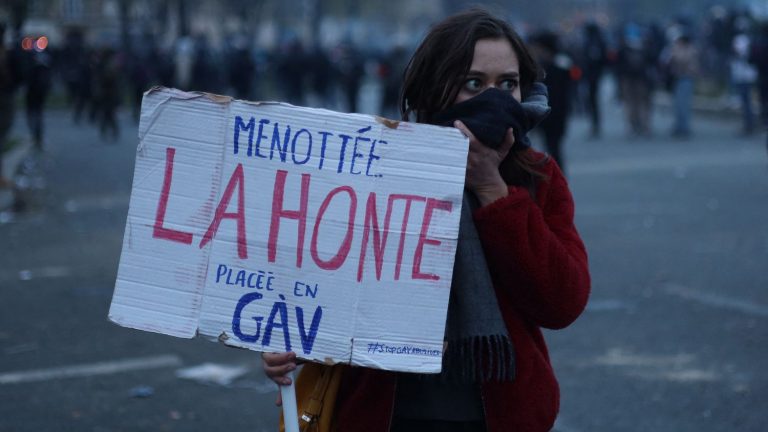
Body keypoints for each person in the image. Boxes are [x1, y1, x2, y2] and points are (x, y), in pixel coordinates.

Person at [263, 9, 590, 432]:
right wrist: (293, 348)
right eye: (473, 83)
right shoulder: (377, 168)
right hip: (386, 412)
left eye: (507, 84)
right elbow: (331, 292)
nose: (494, 98)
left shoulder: (538, 176)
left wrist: (494, 191)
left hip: (499, 415)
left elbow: (562, 301)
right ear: (436, 88)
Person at [529, 30, 575, 174]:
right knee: (551, 148)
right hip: (550, 114)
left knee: (554, 148)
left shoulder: (557, 66)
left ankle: (558, 178)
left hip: (555, 114)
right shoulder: (552, 64)